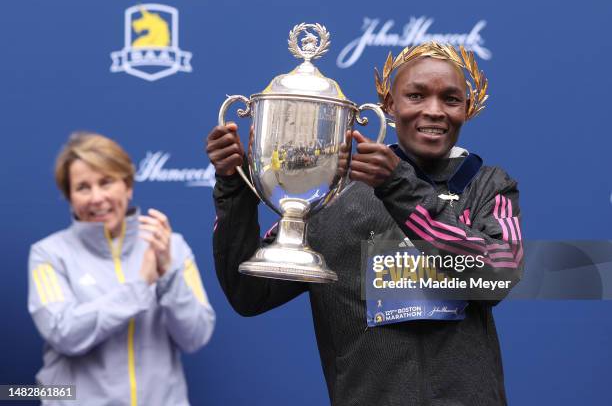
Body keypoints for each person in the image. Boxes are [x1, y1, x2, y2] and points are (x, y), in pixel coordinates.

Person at [207, 42, 522, 405]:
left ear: (468, 108)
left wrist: (398, 187)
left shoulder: (489, 186)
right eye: (416, 95)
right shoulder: (334, 194)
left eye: (450, 99)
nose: (434, 111)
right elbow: (249, 294)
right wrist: (235, 187)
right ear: (389, 104)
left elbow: (498, 276)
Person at [28, 132, 215, 406]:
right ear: (69, 197)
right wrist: (139, 286)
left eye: (106, 182)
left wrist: (168, 275)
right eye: (83, 187)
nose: (97, 198)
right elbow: (63, 332)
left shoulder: (170, 246)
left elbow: (196, 336)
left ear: (127, 186)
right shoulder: (48, 255)